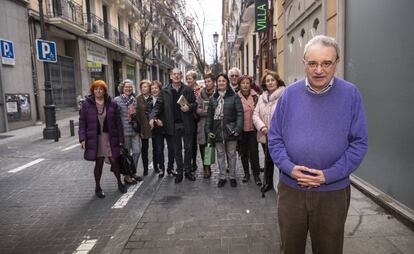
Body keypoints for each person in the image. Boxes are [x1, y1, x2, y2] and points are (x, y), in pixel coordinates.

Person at [268, 35, 368, 254]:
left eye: (326, 63)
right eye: (312, 63)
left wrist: (329, 175)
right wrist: (289, 168)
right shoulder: (289, 95)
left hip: (332, 192)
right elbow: (274, 139)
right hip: (291, 190)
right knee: (290, 248)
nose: (319, 69)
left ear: (336, 63)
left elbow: (359, 144)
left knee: (329, 249)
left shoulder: (351, 94)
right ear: (304, 64)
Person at [79, 80, 127, 198]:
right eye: (96, 89)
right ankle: (97, 187)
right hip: (95, 138)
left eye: (101, 89)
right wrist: (82, 139)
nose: (98, 91)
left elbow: (118, 123)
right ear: (93, 90)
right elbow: (82, 122)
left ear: (104, 90)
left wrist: (121, 139)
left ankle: (119, 182)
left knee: (114, 160)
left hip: (110, 137)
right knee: (99, 163)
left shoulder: (112, 103)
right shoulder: (87, 104)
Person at [150, 68, 197, 184]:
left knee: (188, 149)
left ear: (181, 76)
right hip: (173, 125)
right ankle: (180, 172)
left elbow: (195, 103)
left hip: (187, 124)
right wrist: (152, 117)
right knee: (177, 150)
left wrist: (189, 107)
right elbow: (158, 106)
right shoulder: (165, 91)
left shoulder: (187, 89)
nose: (176, 76)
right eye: (174, 74)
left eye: (178, 74)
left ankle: (188, 171)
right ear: (170, 76)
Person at [206, 73, 243, 188]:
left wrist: (238, 128)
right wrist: (208, 130)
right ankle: (222, 177)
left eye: (223, 81)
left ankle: (232, 177)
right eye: (219, 81)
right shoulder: (213, 98)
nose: (221, 83)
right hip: (217, 131)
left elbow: (240, 114)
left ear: (227, 83)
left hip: (230, 130)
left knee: (231, 154)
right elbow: (209, 116)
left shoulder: (234, 97)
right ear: (217, 83)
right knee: (220, 155)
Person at [253, 70, 285, 193]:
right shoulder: (262, 97)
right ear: (264, 84)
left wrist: (276, 130)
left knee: (281, 160)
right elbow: (255, 115)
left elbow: (288, 115)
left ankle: (283, 185)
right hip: (266, 133)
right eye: (267, 81)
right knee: (268, 159)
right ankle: (268, 183)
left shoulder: (284, 95)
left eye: (272, 80)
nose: (270, 82)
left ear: (277, 81)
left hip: (281, 135)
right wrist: (262, 127)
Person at [113, 79, 143, 184]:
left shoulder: (134, 100)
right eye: (126, 87)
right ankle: (127, 176)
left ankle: (132, 171)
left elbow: (137, 116)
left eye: (130, 87)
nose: (128, 89)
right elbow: (114, 117)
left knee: (137, 151)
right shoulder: (116, 100)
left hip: (134, 131)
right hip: (124, 132)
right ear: (122, 88)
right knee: (126, 156)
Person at [237, 75, 261, 185]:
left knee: (254, 152)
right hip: (241, 129)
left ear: (250, 84)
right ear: (239, 84)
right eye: (243, 83)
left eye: (247, 83)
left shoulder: (256, 97)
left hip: (253, 129)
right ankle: (246, 174)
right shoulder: (236, 97)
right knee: (243, 153)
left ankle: (256, 175)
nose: (245, 85)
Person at [196, 73, 216, 178]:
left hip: (215, 123)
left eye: (209, 81)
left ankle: (223, 168)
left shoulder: (217, 93)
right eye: (206, 81)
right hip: (203, 123)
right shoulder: (201, 94)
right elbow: (197, 108)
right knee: (204, 145)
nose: (207, 83)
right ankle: (206, 167)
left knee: (213, 146)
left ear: (213, 82)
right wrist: (205, 112)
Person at [148, 80, 170, 178]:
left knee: (171, 149)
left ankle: (170, 167)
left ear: (160, 89)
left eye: (156, 88)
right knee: (159, 149)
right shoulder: (149, 100)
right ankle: (161, 168)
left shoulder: (166, 98)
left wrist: (163, 121)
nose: (154, 90)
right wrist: (156, 120)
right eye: (152, 88)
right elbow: (148, 113)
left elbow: (168, 111)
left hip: (167, 126)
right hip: (156, 129)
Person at [136, 80, 152, 176]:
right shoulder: (138, 98)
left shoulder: (153, 97)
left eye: (145, 87)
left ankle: (158, 166)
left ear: (149, 88)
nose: (143, 88)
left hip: (153, 126)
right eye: (142, 87)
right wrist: (139, 129)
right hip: (143, 126)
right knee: (144, 149)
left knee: (157, 148)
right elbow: (137, 114)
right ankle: (145, 168)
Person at [185, 70, 201, 172]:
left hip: (197, 118)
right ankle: (188, 162)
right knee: (188, 142)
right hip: (187, 118)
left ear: (195, 79)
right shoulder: (185, 89)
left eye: (190, 79)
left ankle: (194, 162)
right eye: (187, 79)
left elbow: (199, 103)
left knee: (194, 142)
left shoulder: (199, 90)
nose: (188, 81)